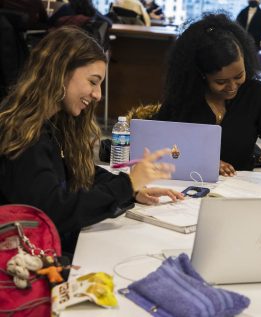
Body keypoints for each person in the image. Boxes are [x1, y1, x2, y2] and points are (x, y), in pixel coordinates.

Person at [0, 26, 183, 254]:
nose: (98, 94)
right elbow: (53, 211)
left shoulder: (52, 123)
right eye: (93, 81)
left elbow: (79, 173)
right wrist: (125, 185)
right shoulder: (23, 133)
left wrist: (132, 189)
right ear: (61, 72)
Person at [153, 13, 261, 182]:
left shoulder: (256, 94)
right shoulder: (183, 98)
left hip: (239, 189)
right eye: (221, 81)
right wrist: (203, 162)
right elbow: (161, 147)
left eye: (239, 76)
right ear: (202, 75)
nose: (232, 87)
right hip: (186, 187)